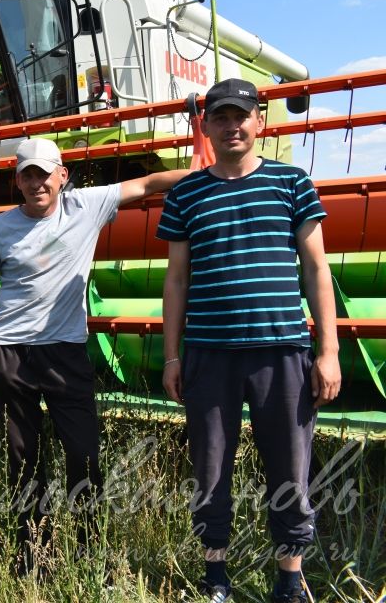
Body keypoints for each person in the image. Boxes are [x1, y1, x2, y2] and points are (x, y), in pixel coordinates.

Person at [0, 137, 189, 575]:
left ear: (62, 176)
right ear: (17, 180)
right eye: (27, 175)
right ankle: (35, 556)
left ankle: (91, 552)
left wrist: (210, 174)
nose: (36, 183)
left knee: (84, 454)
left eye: (44, 174)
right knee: (23, 459)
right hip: (12, 354)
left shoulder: (87, 206)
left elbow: (146, 185)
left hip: (66, 353)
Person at [158, 78, 341, 603]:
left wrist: (327, 352)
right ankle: (216, 576)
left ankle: (290, 577)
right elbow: (176, 280)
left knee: (289, 465)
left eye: (242, 116)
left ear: (259, 122)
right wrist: (173, 356)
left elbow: (316, 267)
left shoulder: (292, 182)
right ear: (206, 126)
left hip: (281, 350)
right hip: (209, 354)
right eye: (221, 117)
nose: (232, 125)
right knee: (210, 467)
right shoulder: (187, 193)